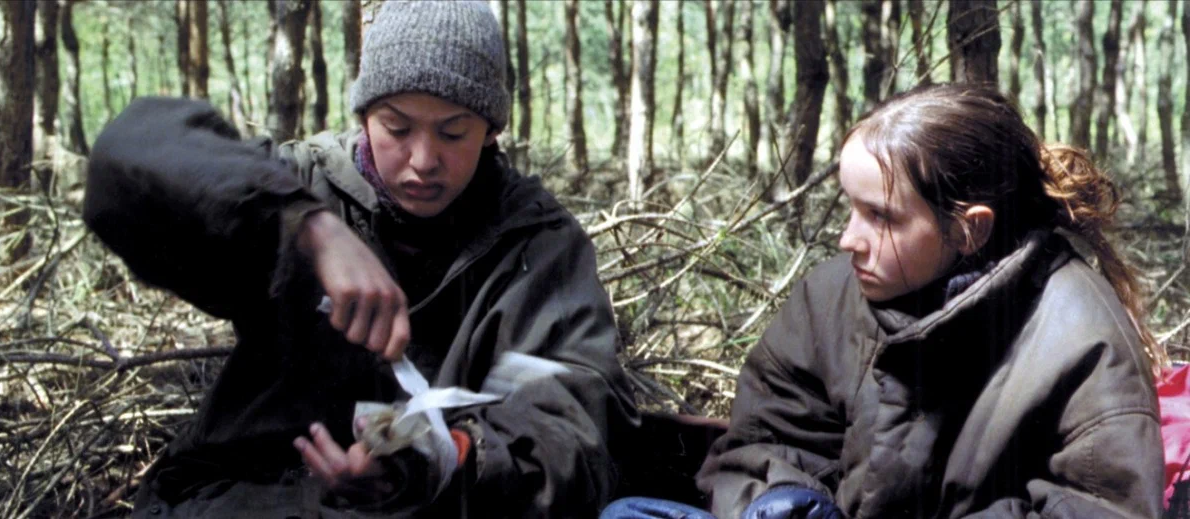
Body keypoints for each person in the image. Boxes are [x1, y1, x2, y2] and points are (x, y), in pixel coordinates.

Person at [83, 2, 638, 517]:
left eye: (453, 132)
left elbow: (572, 423)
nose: (423, 161)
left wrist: (437, 458)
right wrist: (307, 226)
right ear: (366, 114)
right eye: (397, 128)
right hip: (248, 495)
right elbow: (126, 158)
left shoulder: (538, 244)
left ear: (492, 131)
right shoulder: (296, 184)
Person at [602, 84, 1165, 519]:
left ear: (969, 230)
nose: (849, 239)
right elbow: (765, 439)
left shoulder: (1083, 340)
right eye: (851, 208)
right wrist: (779, 493)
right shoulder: (832, 295)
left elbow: (1100, 507)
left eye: (881, 217)